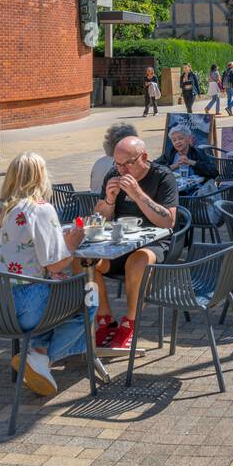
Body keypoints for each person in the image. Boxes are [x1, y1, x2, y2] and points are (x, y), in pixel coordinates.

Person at [0, 152, 93, 397]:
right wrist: (71, 245)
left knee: (53, 290)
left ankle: (37, 353)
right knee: (89, 298)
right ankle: (41, 357)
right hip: (24, 306)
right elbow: (55, 266)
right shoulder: (40, 209)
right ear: (41, 178)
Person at [91, 136, 181, 355]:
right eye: (117, 164)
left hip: (155, 243)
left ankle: (129, 323)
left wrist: (138, 194)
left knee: (137, 260)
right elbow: (98, 218)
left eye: (127, 164)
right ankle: (105, 319)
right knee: (84, 260)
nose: (121, 169)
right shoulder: (114, 175)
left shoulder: (162, 176)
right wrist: (110, 200)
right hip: (121, 243)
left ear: (143, 158)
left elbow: (168, 221)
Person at [91, 121, 138, 194]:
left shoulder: (98, 162)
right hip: (109, 202)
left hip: (89, 203)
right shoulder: (125, 166)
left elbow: (92, 187)